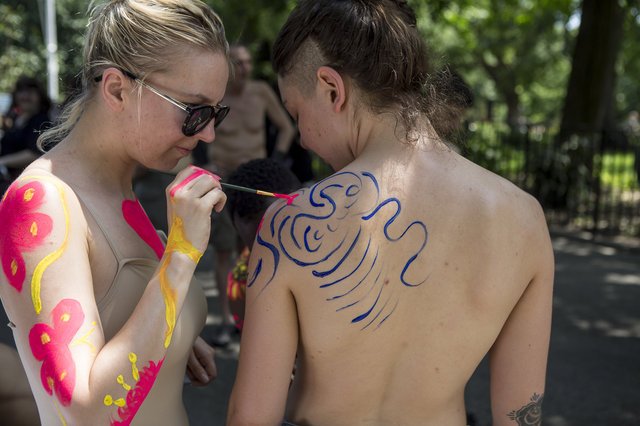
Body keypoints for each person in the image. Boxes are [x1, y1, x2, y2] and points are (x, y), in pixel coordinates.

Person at [227, 1, 554, 425]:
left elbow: (251, 418)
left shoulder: (289, 222)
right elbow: (521, 417)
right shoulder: (524, 220)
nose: (303, 139)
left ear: (331, 89)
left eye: (297, 114)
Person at [0, 1, 229, 424]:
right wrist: (181, 256)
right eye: (193, 111)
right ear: (118, 89)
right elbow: (85, 412)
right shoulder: (41, 202)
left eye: (216, 112)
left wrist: (173, 341)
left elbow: (125, 321)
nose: (208, 132)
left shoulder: (119, 190)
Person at [205, 44, 296, 346]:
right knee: (223, 252)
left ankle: (255, 317)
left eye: (247, 62)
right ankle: (227, 320)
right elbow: (193, 129)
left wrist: (275, 161)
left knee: (259, 249)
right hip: (225, 182)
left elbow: (287, 128)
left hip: (257, 183)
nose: (243, 68)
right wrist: (203, 162)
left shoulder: (260, 92)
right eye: (237, 62)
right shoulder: (216, 95)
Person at [224, 159, 301, 331]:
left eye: (282, 216)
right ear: (236, 223)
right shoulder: (241, 280)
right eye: (255, 221)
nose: (270, 232)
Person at [0, 76, 52, 194]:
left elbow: (34, 153)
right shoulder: (14, 119)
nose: (25, 96)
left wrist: (2, 161)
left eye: (30, 92)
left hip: (27, 184)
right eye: (21, 91)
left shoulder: (41, 121)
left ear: (40, 96)